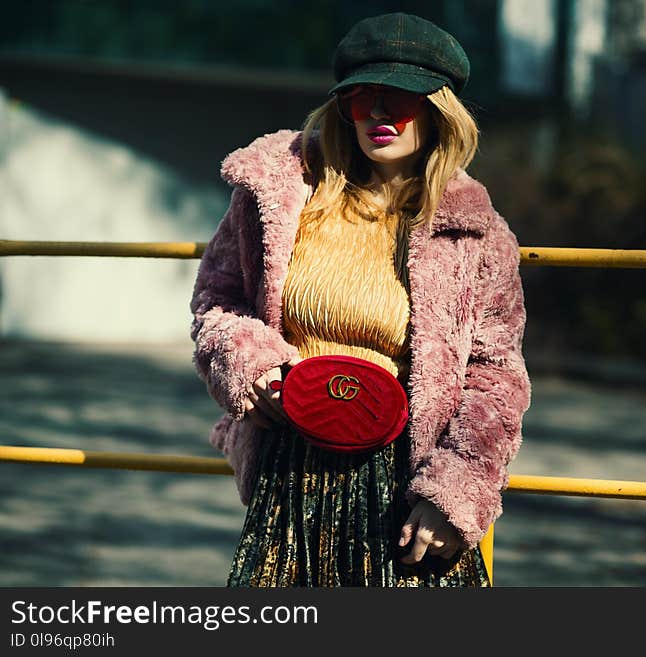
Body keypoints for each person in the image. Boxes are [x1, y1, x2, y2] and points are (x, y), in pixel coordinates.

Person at [189, 12, 530, 587]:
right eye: (361, 97)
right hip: (291, 468)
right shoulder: (281, 192)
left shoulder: (475, 231)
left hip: (403, 478)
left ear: (439, 110)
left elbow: (495, 378)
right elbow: (217, 303)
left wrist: (453, 492)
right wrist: (253, 368)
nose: (378, 114)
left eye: (399, 99)